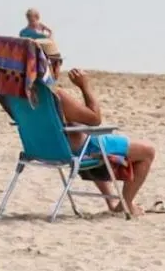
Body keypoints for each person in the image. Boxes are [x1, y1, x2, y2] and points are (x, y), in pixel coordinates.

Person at [39, 39, 156, 216]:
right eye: (58, 62)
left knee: (88, 137)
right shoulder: (56, 95)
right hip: (76, 151)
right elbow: (94, 119)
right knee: (147, 151)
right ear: (51, 65)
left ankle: (111, 200)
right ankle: (126, 204)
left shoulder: (21, 95)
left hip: (43, 149)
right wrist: (84, 86)